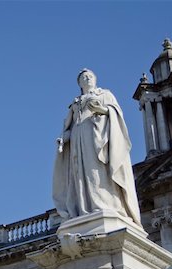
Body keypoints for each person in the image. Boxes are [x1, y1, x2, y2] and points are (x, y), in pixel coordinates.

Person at [52, 69, 141, 225]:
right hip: (78, 141)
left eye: (90, 76)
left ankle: (106, 204)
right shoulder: (75, 103)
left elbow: (116, 113)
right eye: (84, 77)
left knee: (98, 171)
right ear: (79, 83)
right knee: (81, 175)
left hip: (97, 138)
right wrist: (62, 139)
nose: (88, 78)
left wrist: (102, 110)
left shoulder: (105, 94)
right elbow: (69, 127)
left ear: (95, 79)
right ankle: (85, 207)